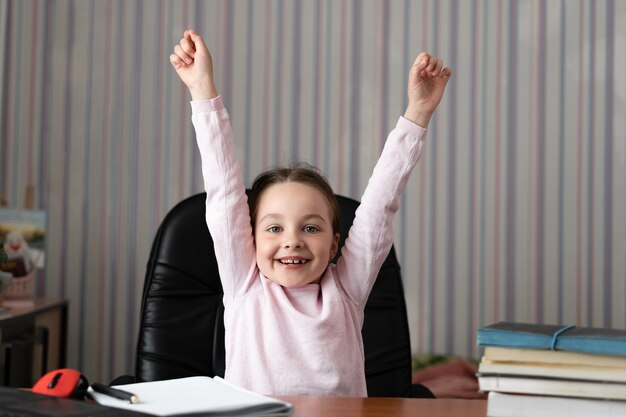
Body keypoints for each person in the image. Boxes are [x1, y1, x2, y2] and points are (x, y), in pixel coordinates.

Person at [170, 29, 460, 397]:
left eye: (310, 228)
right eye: (274, 228)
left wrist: (418, 113)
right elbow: (224, 193)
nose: (292, 240)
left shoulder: (347, 290)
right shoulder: (244, 285)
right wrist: (202, 91)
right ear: (250, 239)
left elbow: (379, 206)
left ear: (335, 242)